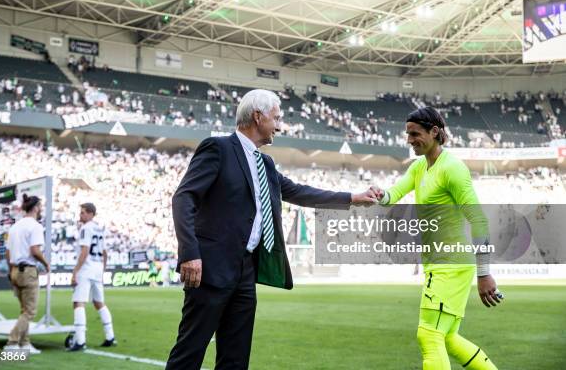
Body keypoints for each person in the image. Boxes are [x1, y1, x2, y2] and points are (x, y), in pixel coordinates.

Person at [165, 89, 373, 369]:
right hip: (211, 269)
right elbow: (184, 197)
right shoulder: (218, 148)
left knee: (236, 357)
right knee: (189, 352)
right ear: (257, 116)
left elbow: (299, 192)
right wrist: (190, 253)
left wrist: (351, 198)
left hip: (245, 271)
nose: (279, 124)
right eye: (276, 117)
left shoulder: (265, 163)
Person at [363, 107, 501, 370]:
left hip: (449, 265)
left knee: (428, 335)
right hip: (440, 264)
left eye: (415, 133)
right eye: (407, 134)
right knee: (447, 337)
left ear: (434, 132)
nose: (409, 139)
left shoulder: (453, 169)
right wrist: (380, 195)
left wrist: (484, 273)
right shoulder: (419, 167)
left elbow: (479, 220)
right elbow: (394, 193)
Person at [3, 194, 49, 354]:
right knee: (30, 311)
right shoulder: (35, 226)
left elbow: (7, 253)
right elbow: (35, 251)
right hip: (28, 270)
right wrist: (46, 263)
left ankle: (25, 343)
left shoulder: (15, 226)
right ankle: (12, 341)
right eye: (40, 206)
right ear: (35, 207)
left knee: (24, 310)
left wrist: (11, 271)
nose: (41, 209)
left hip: (15, 270)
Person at [68, 203, 116, 351]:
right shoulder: (100, 229)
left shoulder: (85, 228)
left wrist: (75, 271)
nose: (80, 215)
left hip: (86, 269)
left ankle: (80, 341)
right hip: (97, 269)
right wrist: (103, 270)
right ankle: (110, 337)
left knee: (78, 302)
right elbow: (105, 252)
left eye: (82, 213)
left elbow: (85, 251)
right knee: (99, 302)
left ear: (90, 214)